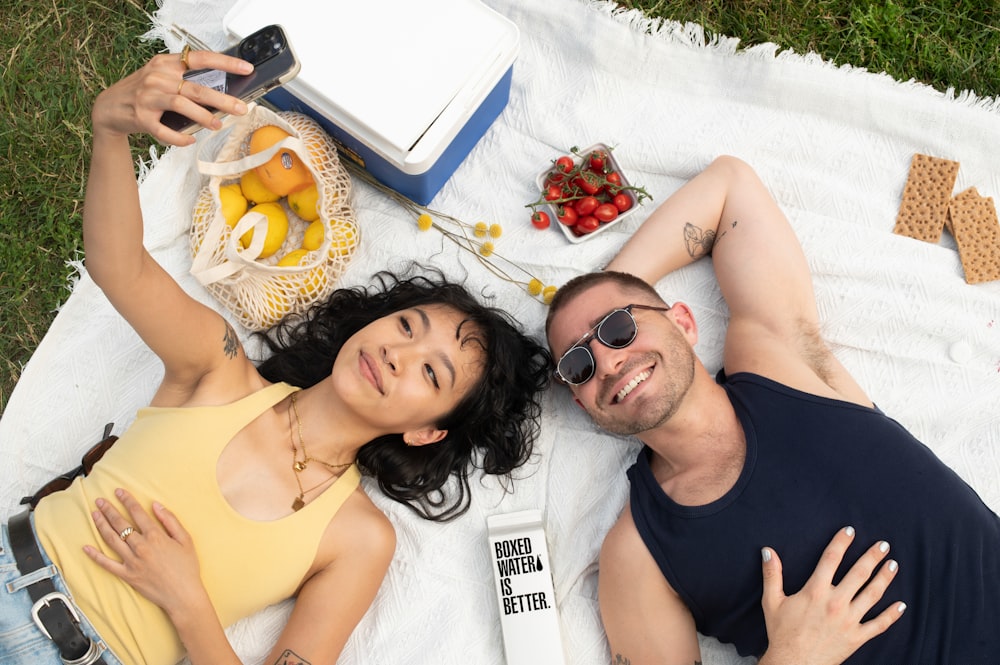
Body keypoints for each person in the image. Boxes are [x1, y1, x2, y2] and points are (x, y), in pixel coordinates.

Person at [0, 50, 549, 665]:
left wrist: (187, 601)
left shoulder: (359, 539)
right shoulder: (217, 362)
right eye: (405, 326)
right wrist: (108, 128)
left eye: (430, 371)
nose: (398, 353)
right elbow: (119, 265)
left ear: (427, 430)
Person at [545, 155, 1000, 664]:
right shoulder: (637, 557)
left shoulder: (774, 361)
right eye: (579, 366)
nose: (606, 361)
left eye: (619, 328)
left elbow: (728, 187)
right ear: (582, 404)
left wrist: (598, 288)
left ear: (684, 322)